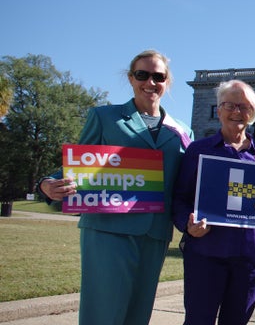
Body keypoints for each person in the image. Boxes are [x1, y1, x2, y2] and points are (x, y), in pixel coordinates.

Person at [37, 49, 193, 325]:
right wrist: (47, 183)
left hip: (154, 232)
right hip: (107, 228)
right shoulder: (105, 117)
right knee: (103, 311)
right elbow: (81, 162)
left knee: (138, 312)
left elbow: (185, 182)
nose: (150, 82)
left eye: (158, 76)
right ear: (131, 79)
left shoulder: (180, 131)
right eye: (142, 75)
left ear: (167, 81)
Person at [172, 80, 255, 325]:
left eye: (244, 106)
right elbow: (180, 198)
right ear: (218, 110)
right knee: (199, 320)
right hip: (206, 254)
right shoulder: (199, 151)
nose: (237, 111)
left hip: (251, 259)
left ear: (253, 114)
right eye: (230, 105)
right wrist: (187, 225)